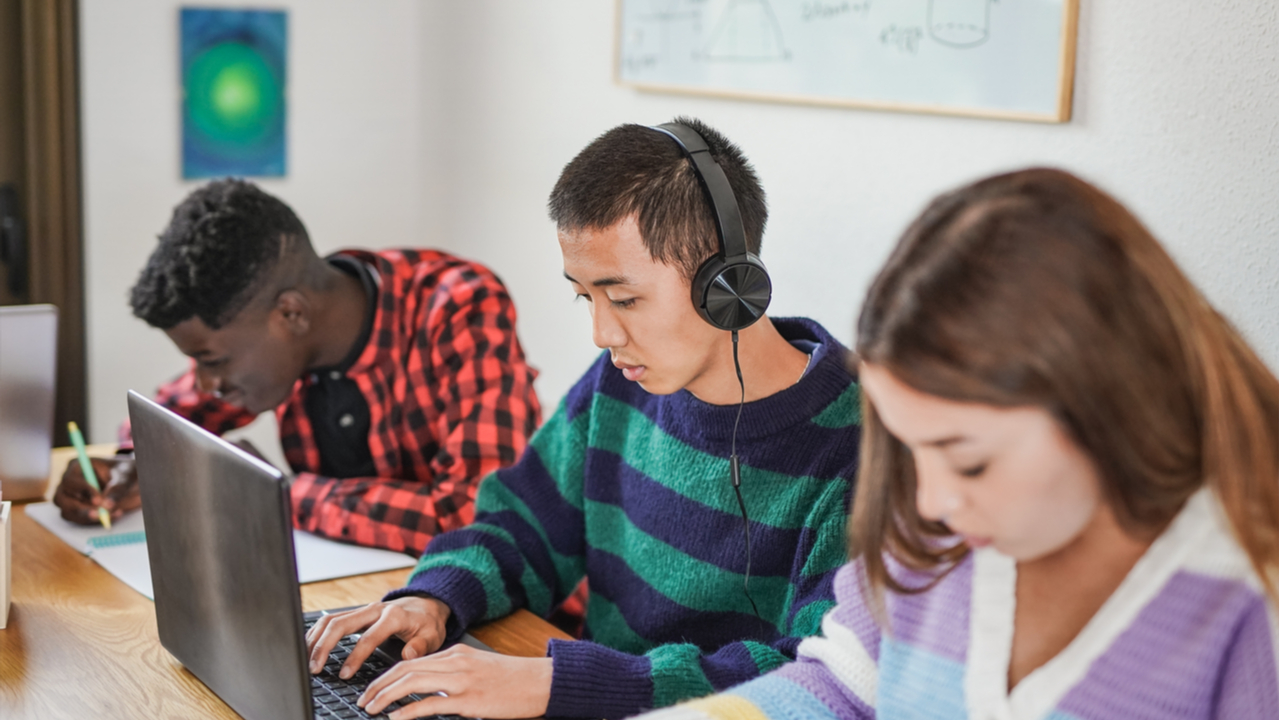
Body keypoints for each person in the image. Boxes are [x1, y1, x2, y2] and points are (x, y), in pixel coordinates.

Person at [638, 168, 1279, 719]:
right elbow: (843, 687)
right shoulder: (936, 539)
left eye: (969, 461)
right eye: (912, 450)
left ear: (1109, 410)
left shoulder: (1245, 604)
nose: (935, 499)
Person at [304, 118, 864, 719]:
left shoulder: (860, 449)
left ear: (729, 287)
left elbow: (815, 679)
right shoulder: (621, 383)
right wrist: (435, 596)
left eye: (623, 299)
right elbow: (524, 524)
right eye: (584, 296)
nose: (602, 334)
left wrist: (556, 684)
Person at [53, 179, 542, 554]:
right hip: (362, 602)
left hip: (508, 627)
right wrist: (127, 464)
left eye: (212, 360)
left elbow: (475, 519)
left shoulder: (458, 306)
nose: (206, 383)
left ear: (291, 314)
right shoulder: (270, 327)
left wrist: (279, 494)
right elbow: (164, 422)